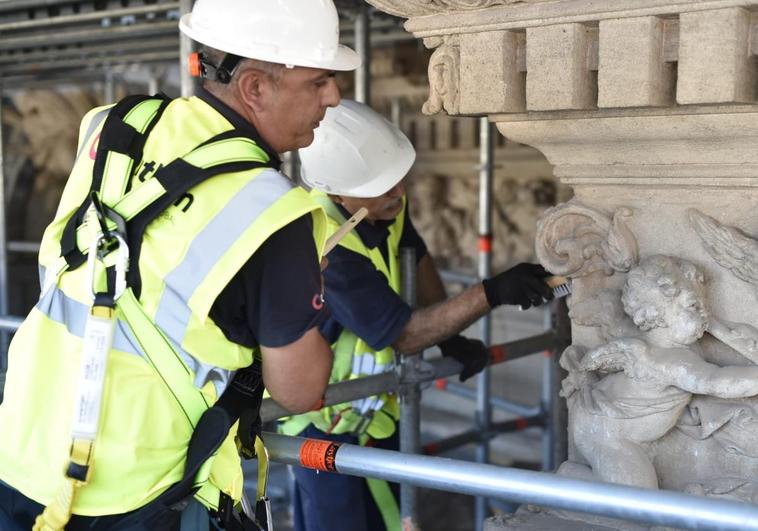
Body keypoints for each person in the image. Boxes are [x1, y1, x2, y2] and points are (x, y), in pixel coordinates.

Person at [0, 1, 360, 530]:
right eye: (320, 80)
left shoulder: (115, 127)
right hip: (129, 495)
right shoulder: (272, 213)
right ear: (255, 87)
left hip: (21, 450)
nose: (334, 96)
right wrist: (307, 292)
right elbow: (300, 390)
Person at [283, 100, 554, 531]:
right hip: (324, 423)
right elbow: (404, 334)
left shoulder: (383, 204)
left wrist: (448, 338)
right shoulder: (325, 244)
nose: (398, 193)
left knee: (392, 516)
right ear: (336, 191)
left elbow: (418, 258)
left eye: (397, 181)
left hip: (376, 408)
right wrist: (492, 293)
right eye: (381, 186)